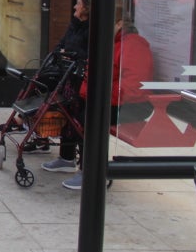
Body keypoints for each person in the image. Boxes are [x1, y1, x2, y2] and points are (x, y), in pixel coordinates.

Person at [51, 10, 155, 190]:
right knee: (74, 109)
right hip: (110, 99)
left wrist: (99, 96)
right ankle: (74, 163)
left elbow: (132, 87)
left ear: (120, 23)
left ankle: (91, 174)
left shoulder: (133, 46)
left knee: (90, 120)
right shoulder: (114, 42)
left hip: (131, 105)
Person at [0, 0, 91, 153]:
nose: (75, 6)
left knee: (48, 88)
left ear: (86, 8)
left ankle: (24, 123)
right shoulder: (75, 24)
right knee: (39, 81)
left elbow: (81, 53)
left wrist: (65, 51)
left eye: (78, 3)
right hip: (63, 69)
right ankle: (32, 127)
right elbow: (61, 45)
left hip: (75, 75)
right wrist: (61, 52)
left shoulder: (90, 30)